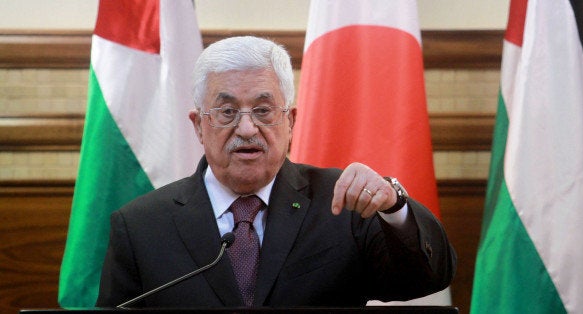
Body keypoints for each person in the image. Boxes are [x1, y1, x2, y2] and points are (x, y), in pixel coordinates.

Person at [96, 36, 456, 308]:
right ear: (198, 127)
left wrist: (393, 207)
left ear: (291, 121)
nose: (248, 129)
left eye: (264, 110)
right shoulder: (141, 226)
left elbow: (425, 279)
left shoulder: (341, 204)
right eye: (227, 112)